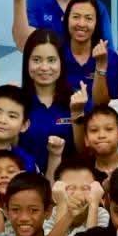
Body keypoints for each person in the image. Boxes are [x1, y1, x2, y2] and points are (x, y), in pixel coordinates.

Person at [18, 29, 84, 163]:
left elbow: (84, 151)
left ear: (61, 63)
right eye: (36, 60)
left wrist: (77, 114)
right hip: (27, 174)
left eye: (51, 60)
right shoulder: (16, 100)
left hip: (68, 174)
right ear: (27, 62)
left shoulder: (78, 100)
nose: (44, 67)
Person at [60, 0, 118, 112]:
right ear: (66, 20)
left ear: (96, 23)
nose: (82, 24)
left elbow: (102, 104)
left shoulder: (110, 57)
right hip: (60, 118)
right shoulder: (55, 53)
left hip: (94, 119)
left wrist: (101, 66)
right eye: (76, 17)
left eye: (88, 18)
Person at [84, 105, 118, 175]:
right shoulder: (82, 173)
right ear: (86, 139)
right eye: (94, 130)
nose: (101, 135)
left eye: (109, 129)